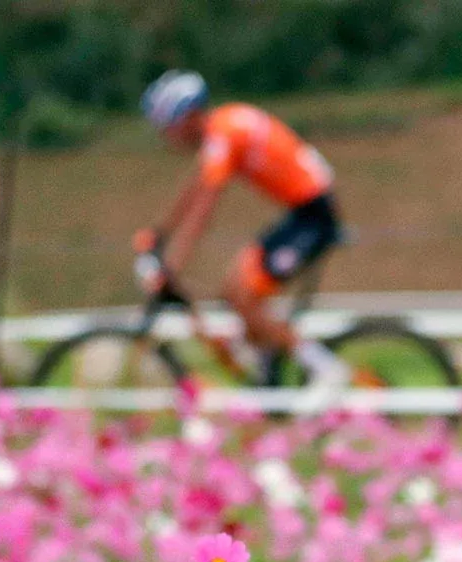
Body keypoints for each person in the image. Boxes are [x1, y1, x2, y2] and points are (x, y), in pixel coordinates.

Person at [137, 69, 349, 388]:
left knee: (245, 300)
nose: (167, 136)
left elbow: (204, 209)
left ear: (189, 116)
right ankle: (268, 377)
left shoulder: (225, 135)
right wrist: (159, 233)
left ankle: (328, 371)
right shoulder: (223, 127)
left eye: (168, 127)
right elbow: (195, 189)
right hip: (301, 214)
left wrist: (172, 266)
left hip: (315, 217)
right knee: (232, 291)